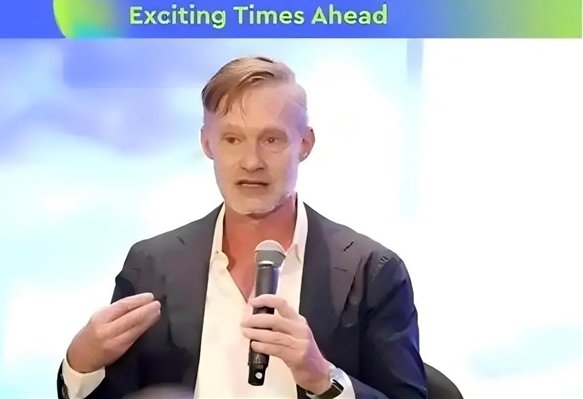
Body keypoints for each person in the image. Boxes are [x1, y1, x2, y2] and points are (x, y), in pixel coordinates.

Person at [56, 56, 428, 399]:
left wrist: (323, 378)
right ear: (207, 143)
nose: (251, 162)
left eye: (271, 139)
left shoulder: (371, 272)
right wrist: (81, 363)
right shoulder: (152, 265)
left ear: (305, 144)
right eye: (232, 139)